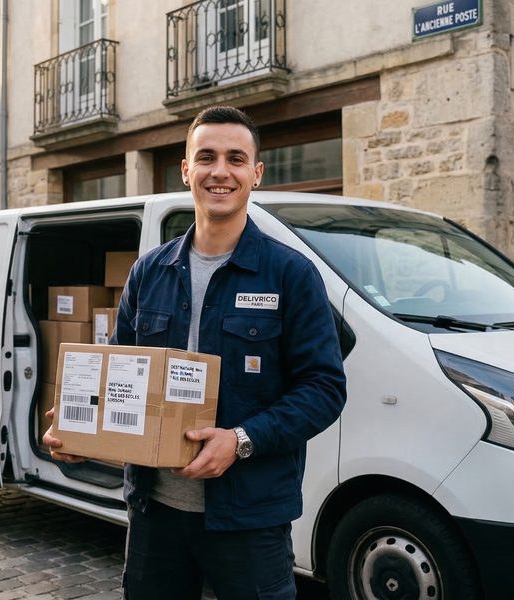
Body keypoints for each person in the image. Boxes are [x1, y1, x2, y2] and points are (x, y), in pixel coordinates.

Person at [44, 105, 346, 599]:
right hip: (155, 516)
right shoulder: (149, 272)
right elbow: (122, 373)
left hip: (249, 520)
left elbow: (324, 389)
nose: (220, 171)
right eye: (206, 157)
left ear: (256, 173)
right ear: (186, 170)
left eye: (235, 158)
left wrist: (241, 439)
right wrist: (83, 431)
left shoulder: (291, 275)